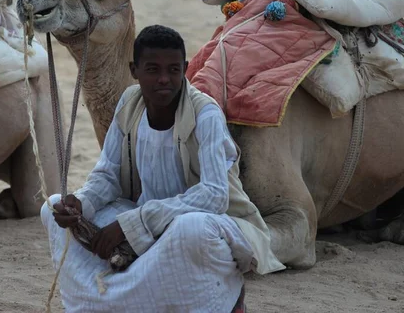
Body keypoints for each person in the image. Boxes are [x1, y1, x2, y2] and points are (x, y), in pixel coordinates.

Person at [41, 25, 285, 312]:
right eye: (153, 70)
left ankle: (226, 298)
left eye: (172, 70)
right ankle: (99, 303)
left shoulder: (205, 114)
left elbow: (215, 196)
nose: (163, 80)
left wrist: (136, 223)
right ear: (135, 70)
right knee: (53, 207)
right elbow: (108, 175)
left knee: (189, 228)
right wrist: (83, 204)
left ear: (184, 68)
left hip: (205, 227)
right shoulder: (129, 103)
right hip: (146, 221)